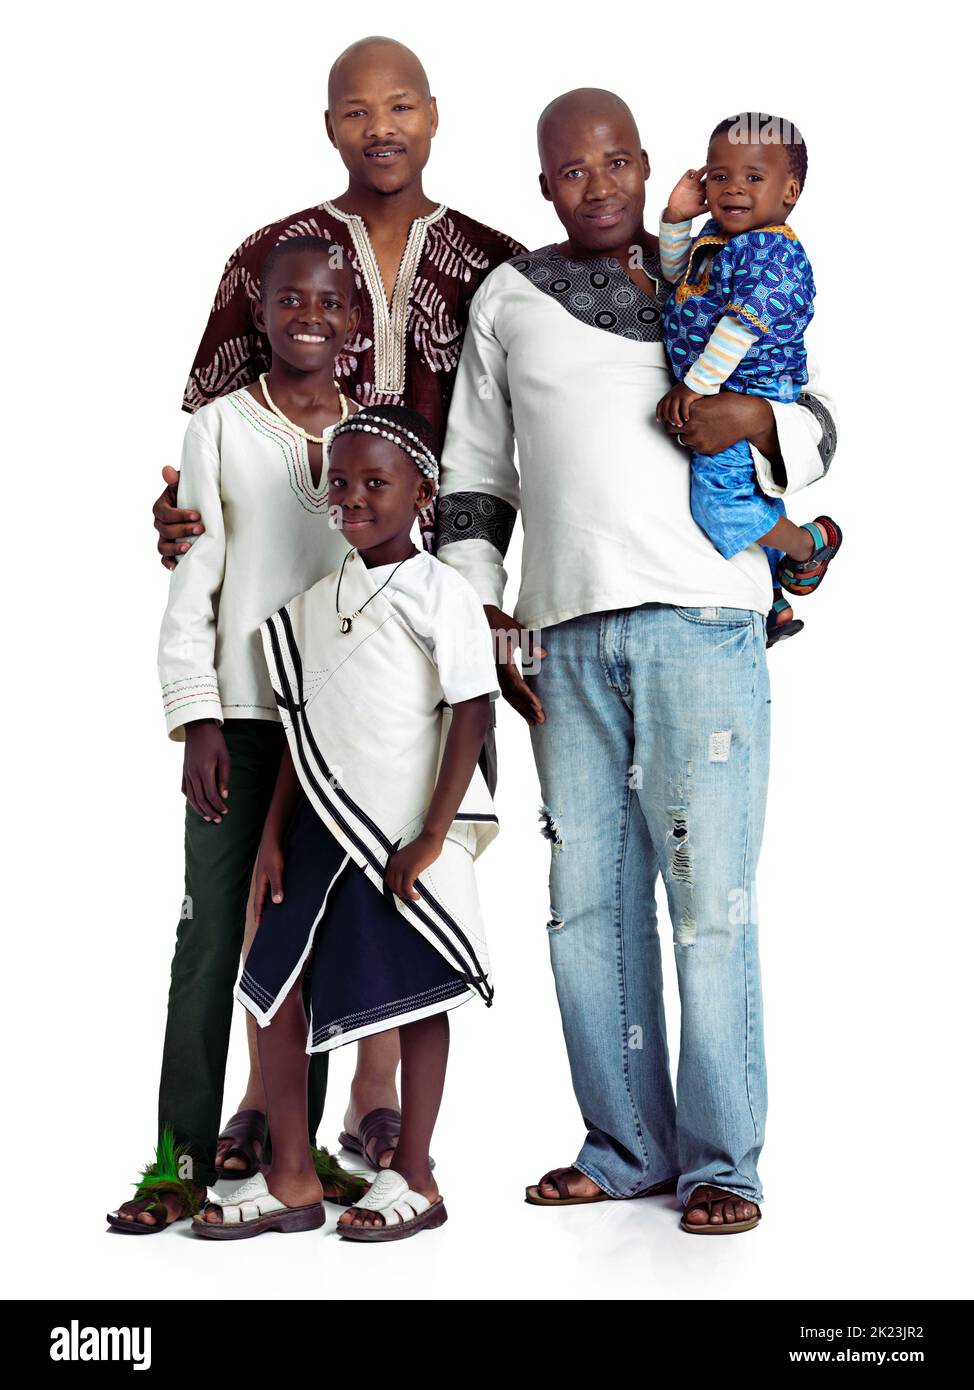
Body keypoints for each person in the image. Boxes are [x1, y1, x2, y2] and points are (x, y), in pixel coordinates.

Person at [433, 88, 838, 1233]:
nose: (598, 182)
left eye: (616, 161)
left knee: (708, 902)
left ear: (649, 165)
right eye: (571, 169)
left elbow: (813, 418)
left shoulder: (712, 267)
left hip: (700, 622)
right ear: (545, 185)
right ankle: (621, 1148)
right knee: (583, 908)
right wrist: (484, 617)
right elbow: (476, 473)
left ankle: (720, 1163)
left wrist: (754, 428)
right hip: (559, 634)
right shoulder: (508, 297)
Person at [148, 36, 523, 1178]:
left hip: (444, 600)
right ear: (328, 125)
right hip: (293, 635)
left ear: (435, 115)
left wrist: (497, 602)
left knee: (410, 849)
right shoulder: (270, 254)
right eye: (356, 109)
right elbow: (214, 447)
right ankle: (263, 1114)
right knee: (274, 886)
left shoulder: (496, 266)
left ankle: (373, 1093)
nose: (380, 127)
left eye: (400, 104)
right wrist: (173, 516)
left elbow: (529, 445)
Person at [191, 405, 499, 1242]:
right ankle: (292, 1176)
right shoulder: (317, 599)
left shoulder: (444, 593)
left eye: (376, 483)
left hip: (404, 829)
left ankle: (418, 1176)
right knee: (272, 988)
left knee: (417, 993)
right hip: (319, 828)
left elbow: (471, 713)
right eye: (341, 483)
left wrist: (434, 836)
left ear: (422, 493)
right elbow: (302, 727)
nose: (353, 498)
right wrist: (267, 841)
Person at [106, 236, 364, 1232]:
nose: (308, 314)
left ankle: (299, 1153)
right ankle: (176, 1159)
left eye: (329, 302)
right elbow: (195, 583)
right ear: (258, 315)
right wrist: (197, 718)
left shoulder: (371, 437)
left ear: (353, 322)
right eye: (287, 300)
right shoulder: (220, 430)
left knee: (311, 942)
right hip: (240, 727)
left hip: (333, 739)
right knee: (211, 938)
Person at [656, 113, 843, 646]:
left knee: (721, 504)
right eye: (719, 176)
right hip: (720, 385)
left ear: (790, 191)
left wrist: (696, 387)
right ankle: (774, 601)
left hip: (750, 388)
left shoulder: (773, 252)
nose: (733, 187)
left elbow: (741, 327)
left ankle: (809, 545)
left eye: (753, 178)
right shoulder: (718, 236)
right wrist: (675, 217)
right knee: (748, 492)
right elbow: (672, 276)